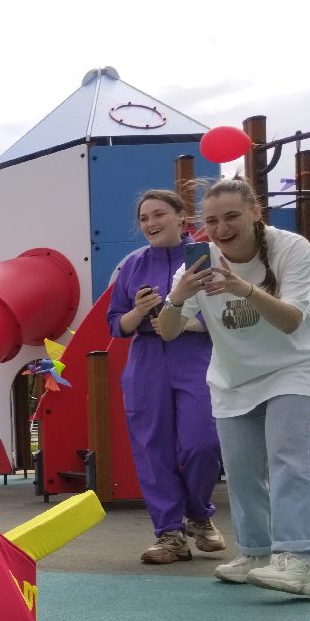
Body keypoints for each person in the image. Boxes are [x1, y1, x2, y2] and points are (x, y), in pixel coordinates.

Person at [157, 178, 310, 598]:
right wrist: (176, 297)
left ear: (256, 211)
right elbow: (167, 332)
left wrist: (243, 287)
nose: (221, 228)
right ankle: (256, 555)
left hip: (297, 362)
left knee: (288, 455)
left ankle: (298, 562)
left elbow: (291, 320)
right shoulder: (195, 264)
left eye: (232, 217)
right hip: (234, 376)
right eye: (211, 221)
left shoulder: (289, 247)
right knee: (241, 471)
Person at [105, 189, 225, 564]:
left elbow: (223, 311)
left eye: (159, 215)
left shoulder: (205, 259)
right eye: (144, 219)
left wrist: (185, 323)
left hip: (194, 357)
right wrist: (138, 312)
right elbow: (115, 324)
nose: (151, 224)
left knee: (203, 442)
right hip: (145, 362)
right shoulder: (133, 266)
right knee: (152, 446)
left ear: (181, 218)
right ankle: (170, 534)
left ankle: (199, 514)